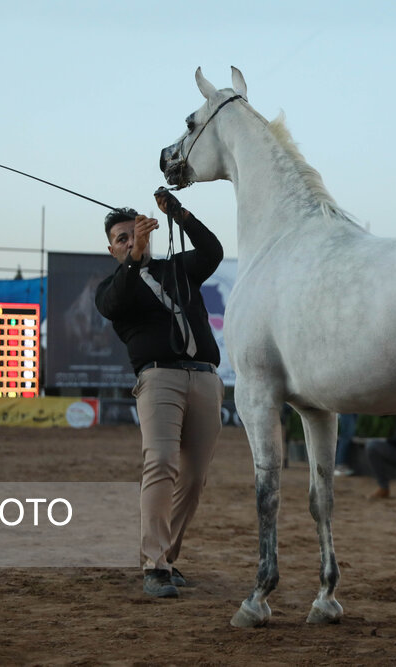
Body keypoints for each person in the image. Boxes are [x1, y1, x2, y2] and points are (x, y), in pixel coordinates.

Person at [95, 189, 224, 598]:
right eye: (122, 238)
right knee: (162, 462)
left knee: (195, 476)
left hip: (205, 376)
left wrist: (179, 213)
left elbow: (212, 251)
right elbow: (116, 302)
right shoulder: (114, 286)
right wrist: (136, 257)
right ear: (112, 249)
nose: (130, 241)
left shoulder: (177, 267)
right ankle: (154, 566)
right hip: (159, 378)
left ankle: (166, 556)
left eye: (134, 232)